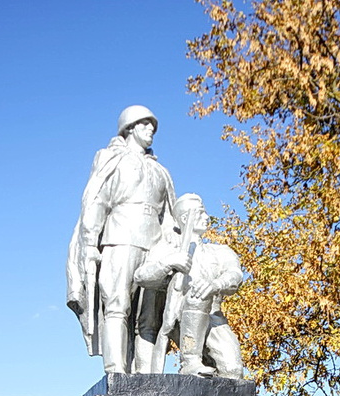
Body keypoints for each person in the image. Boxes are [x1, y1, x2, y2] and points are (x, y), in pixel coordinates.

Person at [66, 106, 176, 373]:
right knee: (117, 305)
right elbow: (96, 201)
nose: (151, 130)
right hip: (120, 237)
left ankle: (147, 376)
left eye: (153, 126)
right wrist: (90, 244)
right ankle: (116, 372)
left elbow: (170, 216)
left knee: (149, 315)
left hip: (155, 245)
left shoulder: (160, 170)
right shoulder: (110, 158)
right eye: (145, 124)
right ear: (129, 128)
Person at [134, 193, 244, 378]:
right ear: (186, 218)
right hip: (180, 318)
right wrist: (168, 263)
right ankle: (190, 361)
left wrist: (215, 284)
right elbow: (142, 276)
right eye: (201, 213)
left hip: (213, 318)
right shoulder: (167, 249)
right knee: (196, 295)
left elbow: (235, 275)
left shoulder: (220, 251)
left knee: (233, 371)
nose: (207, 218)